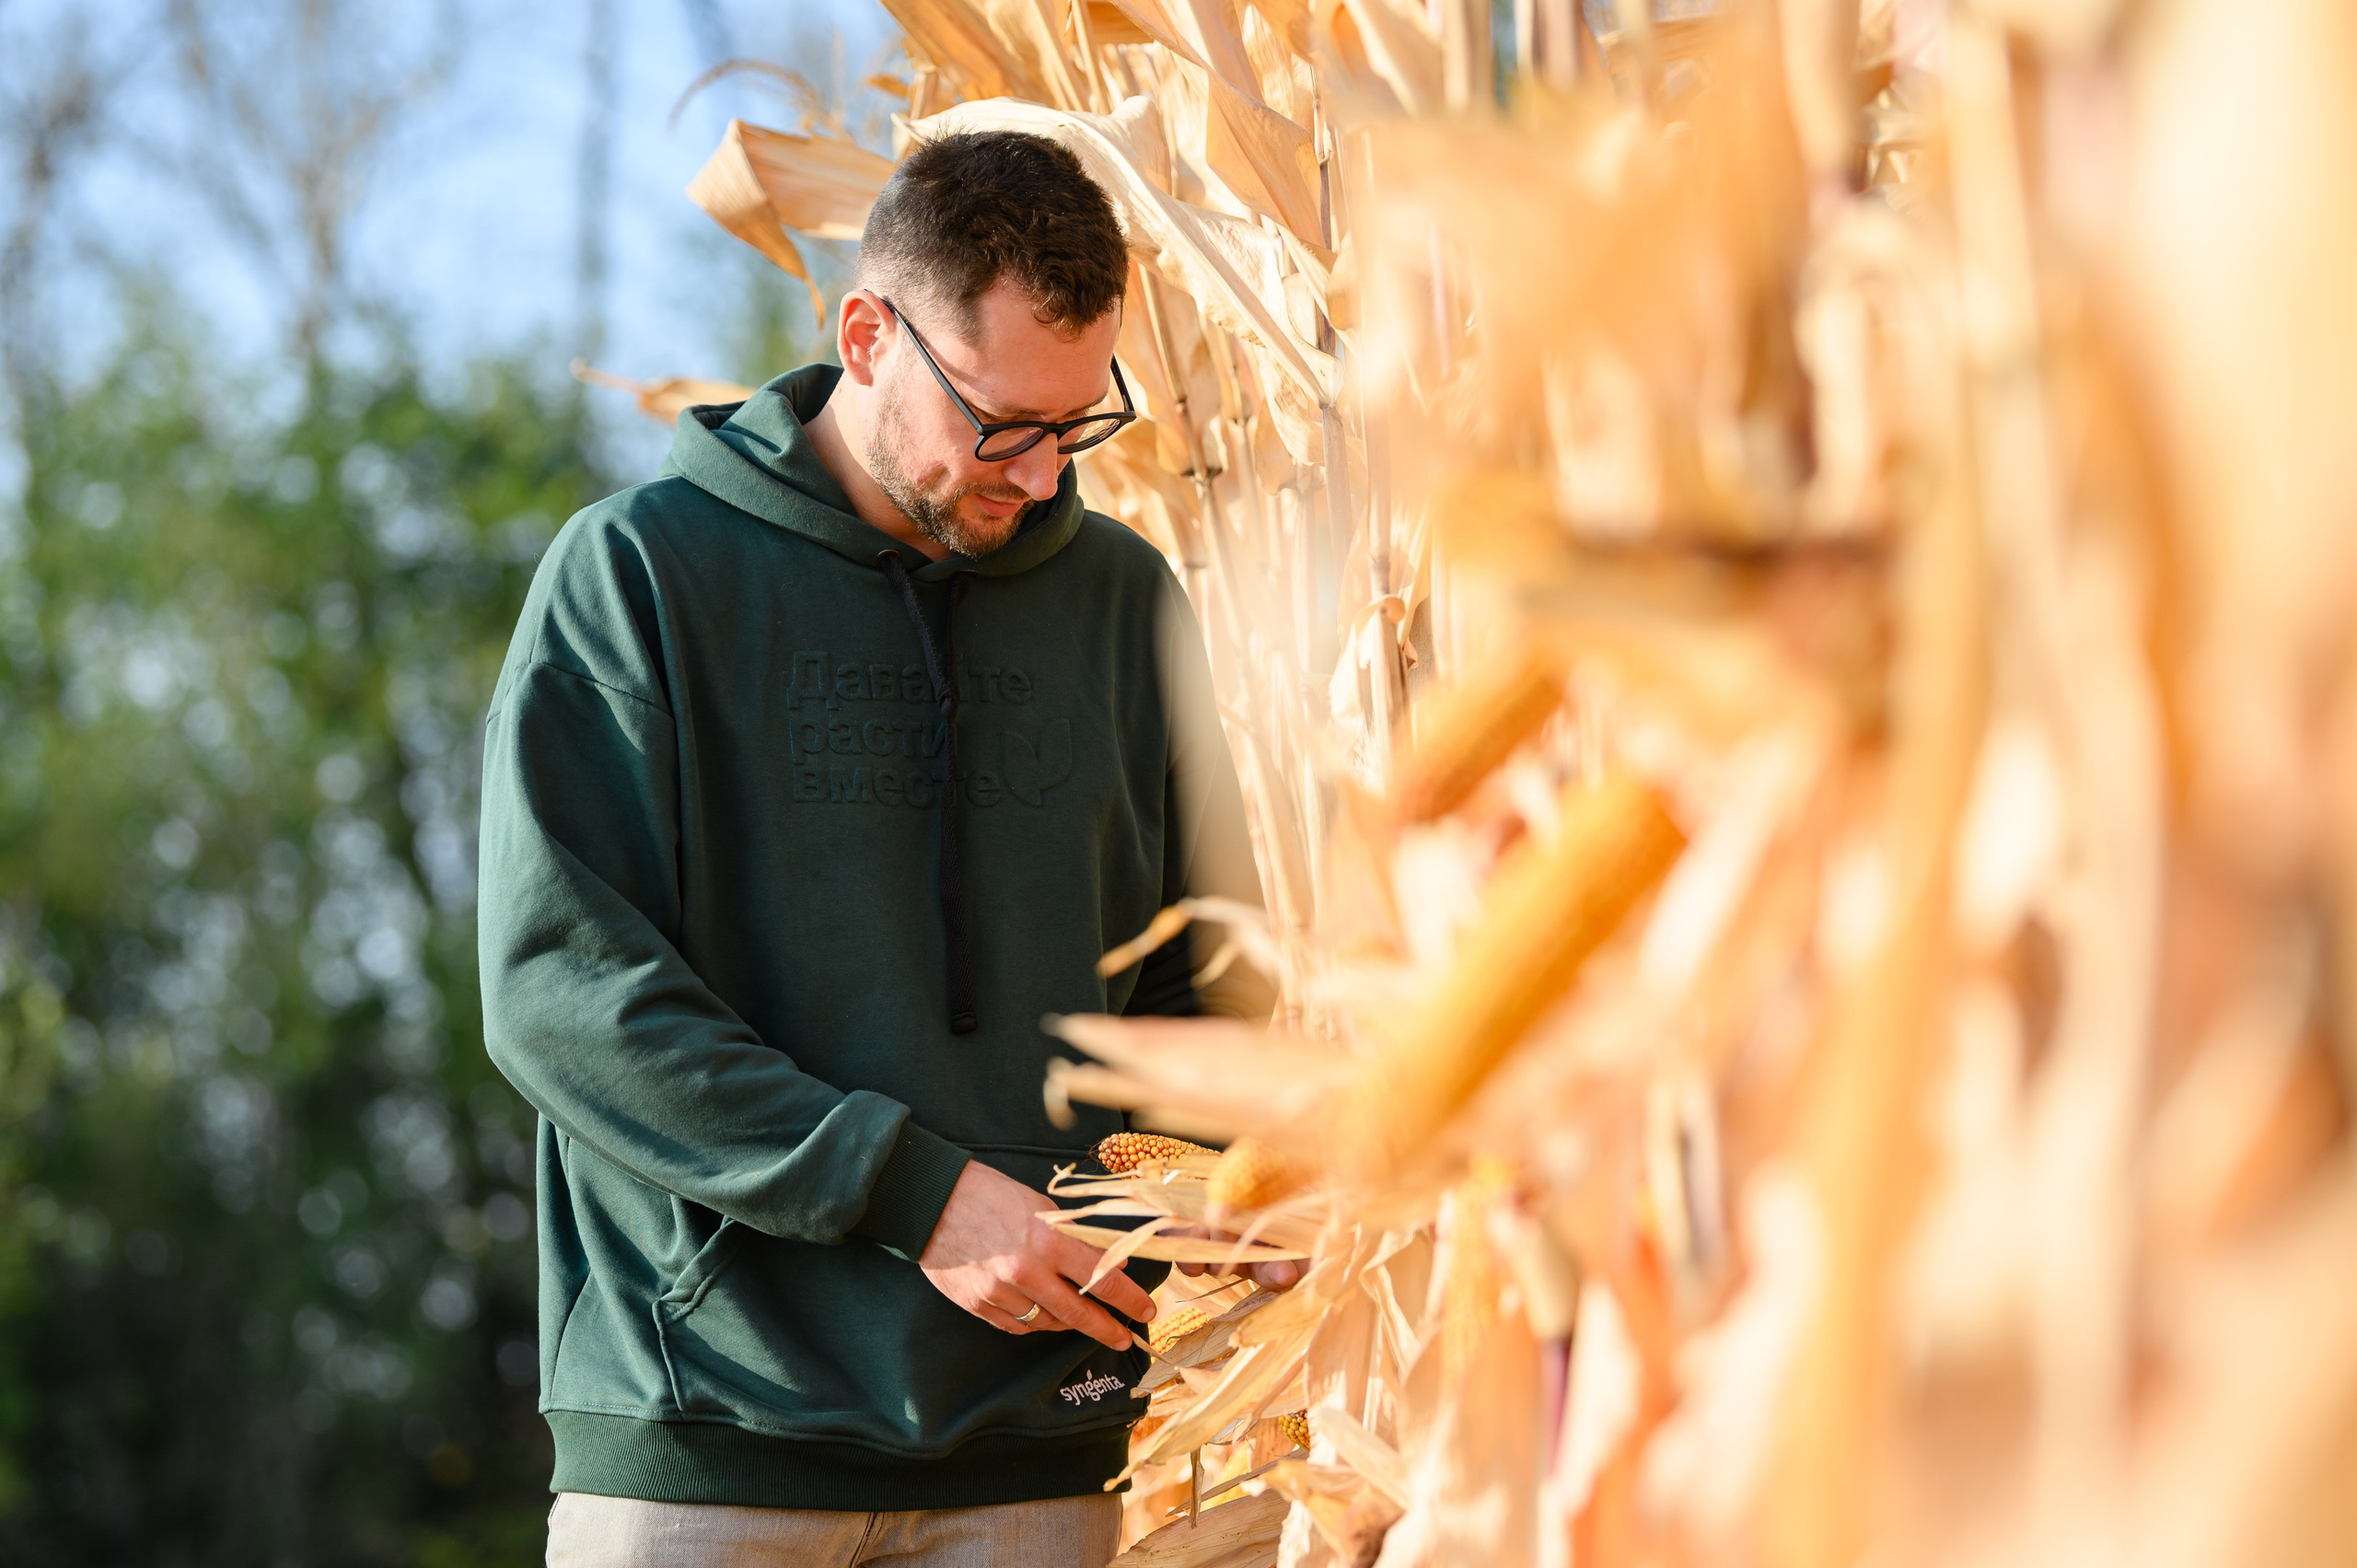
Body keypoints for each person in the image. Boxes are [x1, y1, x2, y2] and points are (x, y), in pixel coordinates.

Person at [477, 130, 1288, 1568]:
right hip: (709, 1436)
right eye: (1002, 425)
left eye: (1075, 425)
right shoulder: (640, 575)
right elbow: (562, 984)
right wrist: (913, 1196)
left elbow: (1198, 981)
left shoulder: (1122, 602)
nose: (1041, 478)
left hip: (1040, 1451)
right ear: (867, 334)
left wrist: (1211, 1185)